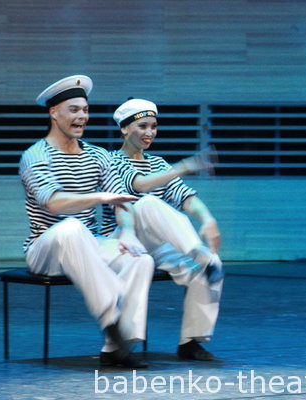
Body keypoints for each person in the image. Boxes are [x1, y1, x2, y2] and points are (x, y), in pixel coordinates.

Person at [19, 76, 154, 368]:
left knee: (139, 259)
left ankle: (117, 346)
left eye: (85, 110)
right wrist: (100, 197)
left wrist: (127, 232)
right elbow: (53, 203)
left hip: (88, 247)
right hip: (46, 250)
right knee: (72, 227)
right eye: (73, 110)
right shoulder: (36, 156)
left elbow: (122, 201)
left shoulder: (97, 155)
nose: (82, 116)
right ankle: (111, 319)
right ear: (54, 113)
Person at [100, 98, 225, 361]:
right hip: (122, 240)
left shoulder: (158, 163)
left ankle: (191, 342)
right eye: (142, 126)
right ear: (124, 128)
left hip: (155, 244)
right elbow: (141, 185)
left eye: (153, 126)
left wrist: (208, 219)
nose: (149, 132)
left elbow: (185, 196)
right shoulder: (110, 160)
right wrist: (185, 166)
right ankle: (123, 346)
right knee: (147, 203)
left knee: (205, 267)